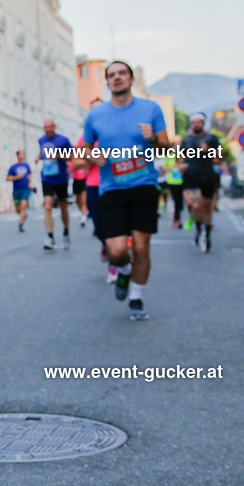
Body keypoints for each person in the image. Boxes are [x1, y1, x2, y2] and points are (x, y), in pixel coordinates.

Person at [80, 60, 168, 320]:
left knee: (142, 248)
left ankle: (136, 298)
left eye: (122, 73)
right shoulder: (95, 116)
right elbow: (83, 152)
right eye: (111, 75)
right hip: (111, 189)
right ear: (107, 82)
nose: (117, 78)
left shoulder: (150, 109)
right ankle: (125, 271)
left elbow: (165, 146)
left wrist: (152, 138)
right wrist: (93, 156)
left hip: (144, 186)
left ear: (131, 79)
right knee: (116, 252)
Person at [179, 113, 222, 252]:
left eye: (199, 122)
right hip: (191, 176)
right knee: (193, 205)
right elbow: (180, 158)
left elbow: (218, 159)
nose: (196, 124)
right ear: (191, 124)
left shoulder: (211, 138)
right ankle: (198, 227)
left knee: (206, 207)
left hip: (207, 176)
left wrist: (209, 151)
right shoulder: (186, 140)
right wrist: (181, 165)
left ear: (203, 123)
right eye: (194, 122)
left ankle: (206, 234)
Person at [35, 119, 72, 249]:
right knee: (47, 206)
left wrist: (58, 155)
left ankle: (66, 229)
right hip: (47, 178)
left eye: (51, 126)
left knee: (63, 207)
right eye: (46, 127)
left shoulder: (63, 140)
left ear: (54, 127)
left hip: (61, 179)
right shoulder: (41, 140)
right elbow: (42, 151)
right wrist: (38, 157)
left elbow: (72, 157)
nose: (48, 129)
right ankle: (50, 236)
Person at [6, 150, 33, 232]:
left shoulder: (26, 165)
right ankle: (23, 215)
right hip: (16, 190)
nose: (23, 155)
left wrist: (30, 180)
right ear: (17, 155)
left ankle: (20, 225)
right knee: (18, 209)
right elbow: (7, 178)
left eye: (24, 154)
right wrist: (16, 177)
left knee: (23, 206)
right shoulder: (13, 167)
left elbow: (30, 173)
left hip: (25, 189)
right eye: (21, 154)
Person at [161, 143, 184, 228]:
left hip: (183, 182)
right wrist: (171, 169)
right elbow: (163, 167)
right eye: (175, 147)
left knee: (182, 202)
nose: (176, 148)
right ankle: (177, 219)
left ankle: (180, 217)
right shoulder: (170, 156)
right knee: (176, 201)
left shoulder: (184, 156)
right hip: (172, 182)